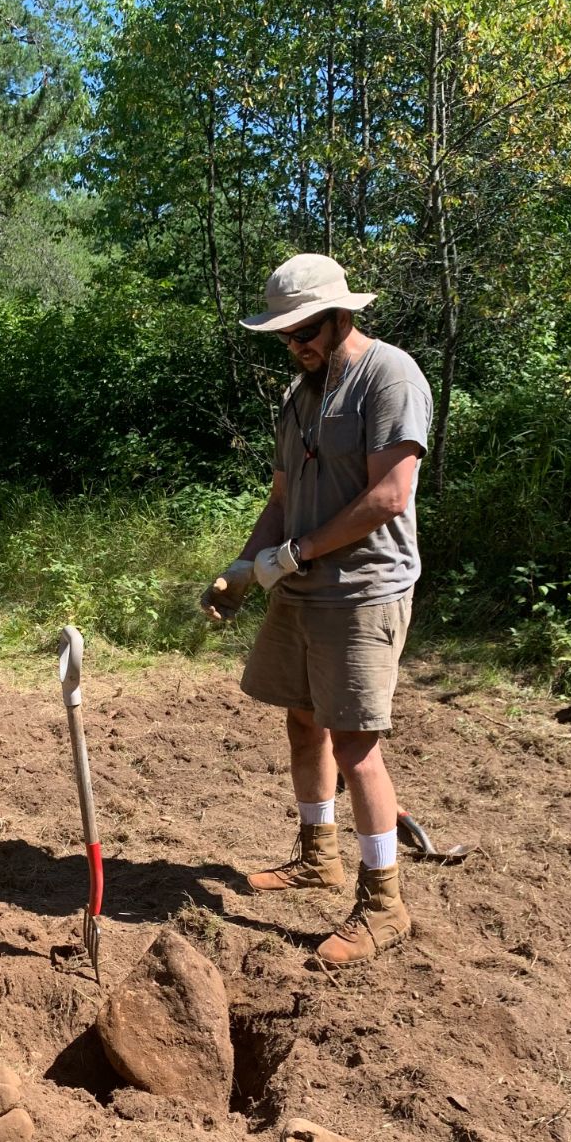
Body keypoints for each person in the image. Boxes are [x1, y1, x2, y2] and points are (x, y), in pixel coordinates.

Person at [202, 253, 431, 965]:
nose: (294, 342)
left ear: (340, 315)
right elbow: (280, 498)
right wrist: (245, 570)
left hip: (363, 590)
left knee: (356, 744)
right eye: (284, 333)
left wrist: (294, 554)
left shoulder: (389, 375)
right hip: (299, 589)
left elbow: (389, 495)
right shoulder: (300, 397)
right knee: (303, 721)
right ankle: (316, 854)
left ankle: (385, 903)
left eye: (304, 328)